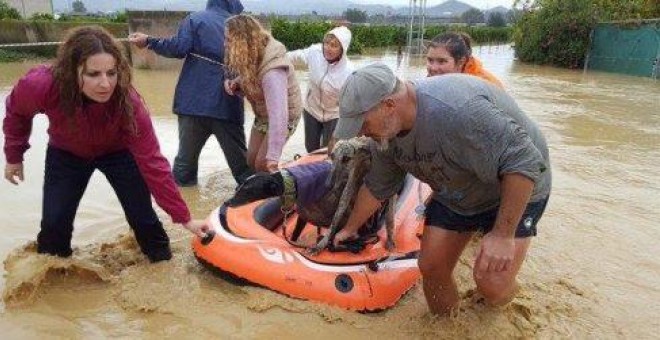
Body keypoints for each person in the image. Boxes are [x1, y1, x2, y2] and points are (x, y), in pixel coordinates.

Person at [331, 63, 551, 315]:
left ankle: (510, 315)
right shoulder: (384, 136)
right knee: (431, 267)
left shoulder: (458, 110)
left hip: (516, 184)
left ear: (389, 106)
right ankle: (448, 328)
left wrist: (502, 235)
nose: (361, 132)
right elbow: (377, 187)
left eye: (362, 123)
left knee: (491, 283)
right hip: (458, 190)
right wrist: (349, 229)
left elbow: (524, 161)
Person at [3, 26, 209, 263]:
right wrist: (14, 155)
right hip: (67, 153)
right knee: (54, 223)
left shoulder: (129, 105)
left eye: (111, 73)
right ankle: (53, 282)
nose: (105, 84)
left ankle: (162, 263)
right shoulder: (41, 85)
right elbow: (16, 112)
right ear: (71, 71)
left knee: (143, 217)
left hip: (118, 153)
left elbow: (153, 164)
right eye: (93, 74)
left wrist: (185, 218)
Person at [128, 0, 251, 186]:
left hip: (192, 105)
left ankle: (184, 210)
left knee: (184, 169)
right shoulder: (242, 27)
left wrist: (149, 41)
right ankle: (262, 208)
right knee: (244, 170)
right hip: (226, 105)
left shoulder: (195, 19)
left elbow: (178, 48)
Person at [223, 14, 302, 172]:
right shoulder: (253, 52)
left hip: (284, 117)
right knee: (251, 160)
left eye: (229, 40)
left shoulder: (273, 73)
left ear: (242, 42)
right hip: (264, 115)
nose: (225, 44)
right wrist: (237, 83)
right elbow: (253, 74)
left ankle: (278, 190)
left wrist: (273, 158)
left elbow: (279, 117)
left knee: (263, 163)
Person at [286, 26, 353, 153]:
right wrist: (275, 58)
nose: (328, 48)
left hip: (334, 114)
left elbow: (352, 102)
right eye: (326, 43)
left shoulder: (349, 71)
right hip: (312, 109)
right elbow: (294, 57)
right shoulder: (315, 52)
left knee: (328, 150)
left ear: (342, 50)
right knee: (311, 148)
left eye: (334, 45)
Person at [426, 32, 504, 88]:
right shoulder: (435, 77)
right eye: (430, 60)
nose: (433, 68)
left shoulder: (483, 85)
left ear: (461, 62)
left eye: (442, 61)